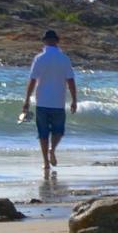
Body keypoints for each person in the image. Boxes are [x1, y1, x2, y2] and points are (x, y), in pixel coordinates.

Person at [23, 28, 77, 173]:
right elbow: (71, 81)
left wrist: (27, 100)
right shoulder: (64, 59)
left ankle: (46, 162)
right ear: (57, 41)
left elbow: (32, 81)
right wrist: (74, 100)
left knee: (43, 133)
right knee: (58, 131)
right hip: (58, 102)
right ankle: (52, 150)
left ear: (44, 41)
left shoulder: (39, 58)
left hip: (42, 102)